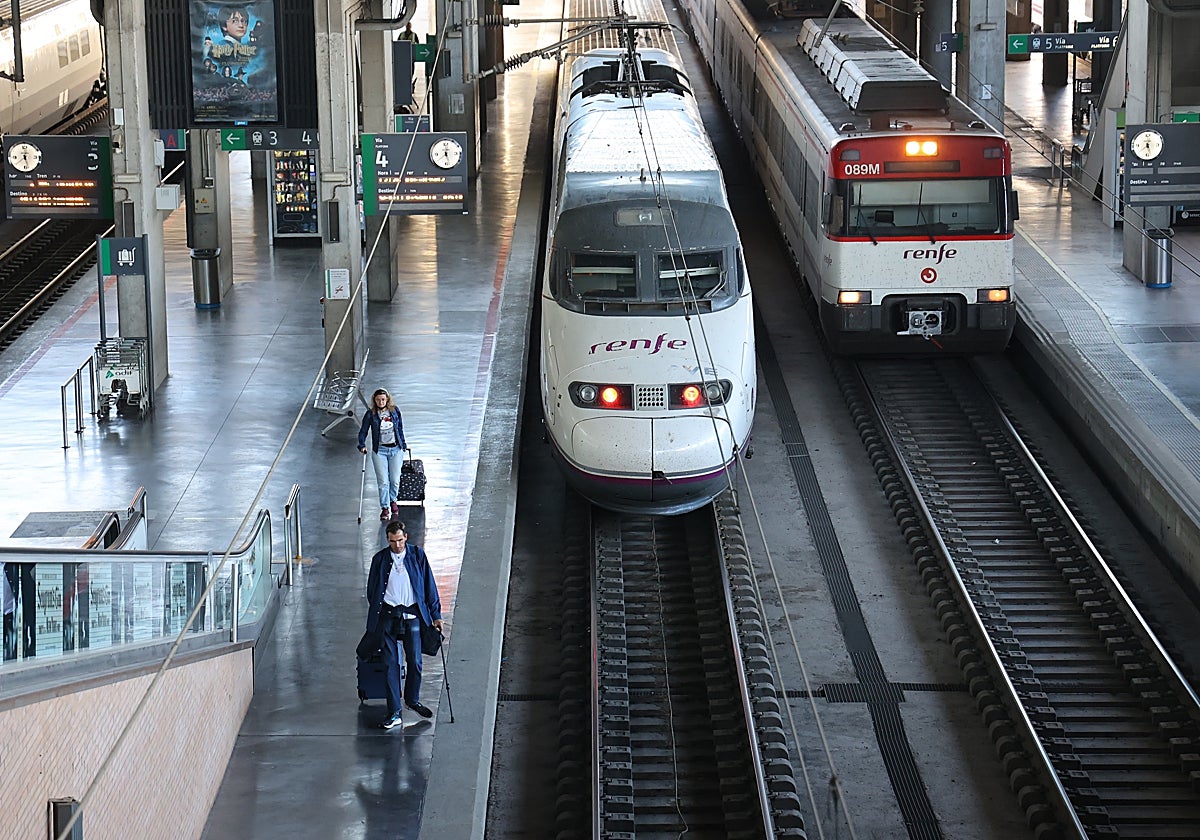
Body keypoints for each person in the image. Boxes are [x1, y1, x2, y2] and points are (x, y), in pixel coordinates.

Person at [365, 521, 444, 730]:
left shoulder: (417, 556)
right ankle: (394, 712)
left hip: (413, 615)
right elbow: (372, 591)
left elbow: (429, 586)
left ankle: (412, 699)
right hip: (388, 616)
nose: (397, 545)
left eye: (400, 540)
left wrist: (436, 614)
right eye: (393, 541)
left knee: (415, 661)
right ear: (387, 540)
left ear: (406, 537)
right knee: (390, 664)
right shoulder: (380, 560)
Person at [358, 388, 408, 521]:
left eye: (383, 399)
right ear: (374, 400)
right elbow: (363, 431)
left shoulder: (394, 411)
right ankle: (385, 507)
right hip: (379, 451)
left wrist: (403, 444)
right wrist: (362, 445)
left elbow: (400, 428)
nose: (381, 402)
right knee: (383, 481)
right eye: (378, 400)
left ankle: (393, 500)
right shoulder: (371, 414)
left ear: (387, 399)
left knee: (395, 480)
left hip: (395, 449)